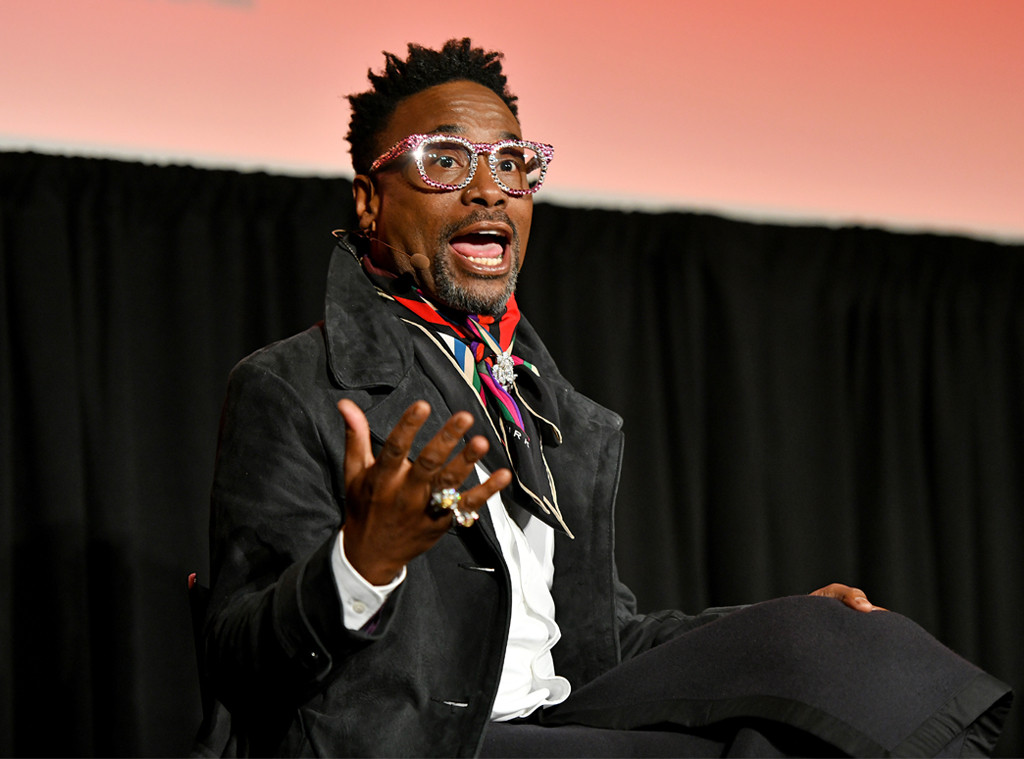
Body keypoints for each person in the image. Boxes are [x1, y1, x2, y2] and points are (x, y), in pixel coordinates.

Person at [201, 39, 1011, 757]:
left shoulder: (547, 405)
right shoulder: (292, 386)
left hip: (562, 718)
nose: (489, 189)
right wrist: (361, 564)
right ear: (371, 201)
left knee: (823, 665)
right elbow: (238, 653)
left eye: (511, 163)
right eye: (444, 161)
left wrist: (785, 628)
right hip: (422, 740)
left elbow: (601, 641)